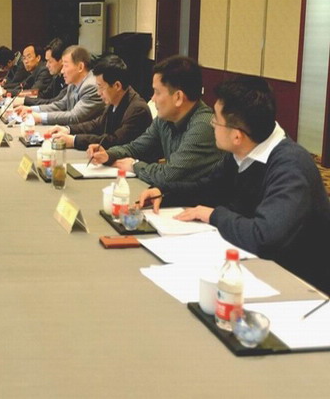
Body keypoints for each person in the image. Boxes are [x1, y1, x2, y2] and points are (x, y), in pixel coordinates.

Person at [138, 76, 330, 293]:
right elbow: (209, 188)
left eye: (216, 120)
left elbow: (264, 237)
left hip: (300, 285)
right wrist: (165, 193)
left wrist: (214, 215)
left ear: (237, 136)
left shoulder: (291, 167)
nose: (211, 125)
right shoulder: (244, 149)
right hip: (252, 265)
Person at [88, 55, 222, 188]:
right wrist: (109, 154)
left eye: (157, 92)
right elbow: (136, 148)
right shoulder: (164, 119)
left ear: (178, 97)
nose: (152, 99)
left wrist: (135, 165)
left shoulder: (203, 126)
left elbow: (169, 175)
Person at [49, 55, 152, 150]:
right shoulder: (114, 100)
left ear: (117, 86)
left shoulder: (137, 109)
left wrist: (74, 140)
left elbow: (114, 140)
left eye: (101, 87)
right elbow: (97, 124)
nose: (98, 93)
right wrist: (68, 129)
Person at [15, 45, 104, 126]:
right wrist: (31, 110)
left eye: (65, 66)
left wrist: (39, 117)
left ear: (80, 67)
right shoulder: (73, 84)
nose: (62, 71)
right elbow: (60, 105)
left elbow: (74, 117)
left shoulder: (91, 86)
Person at [21, 38, 66, 106]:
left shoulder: (69, 80)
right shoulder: (57, 78)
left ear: (61, 60)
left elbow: (56, 103)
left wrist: (24, 100)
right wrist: (24, 100)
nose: (47, 65)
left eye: (50, 61)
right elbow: (44, 95)